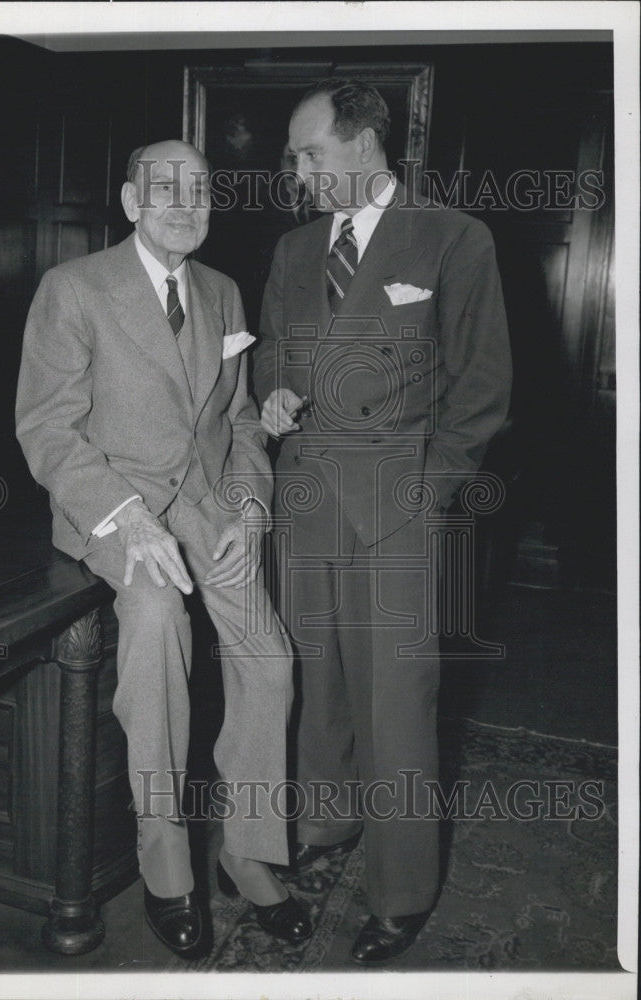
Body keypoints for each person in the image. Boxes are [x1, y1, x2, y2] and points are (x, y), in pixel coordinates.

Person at [16, 139, 310, 959]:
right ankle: (165, 855)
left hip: (211, 499)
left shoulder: (222, 290)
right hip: (115, 505)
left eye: (200, 190)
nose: (185, 204)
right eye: (165, 189)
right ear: (129, 201)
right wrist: (126, 518)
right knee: (154, 621)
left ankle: (248, 852)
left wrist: (250, 507)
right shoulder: (73, 288)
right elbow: (45, 427)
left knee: (270, 657)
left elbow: (242, 417)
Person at [253, 79, 512, 965]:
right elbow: (267, 364)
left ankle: (401, 891)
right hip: (305, 499)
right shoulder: (292, 249)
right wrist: (272, 397)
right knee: (315, 690)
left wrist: (428, 492)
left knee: (397, 704)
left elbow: (481, 389)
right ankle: (327, 828)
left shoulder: (452, 237)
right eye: (294, 156)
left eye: (309, 153)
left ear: (364, 143)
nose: (296, 172)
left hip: (395, 504)